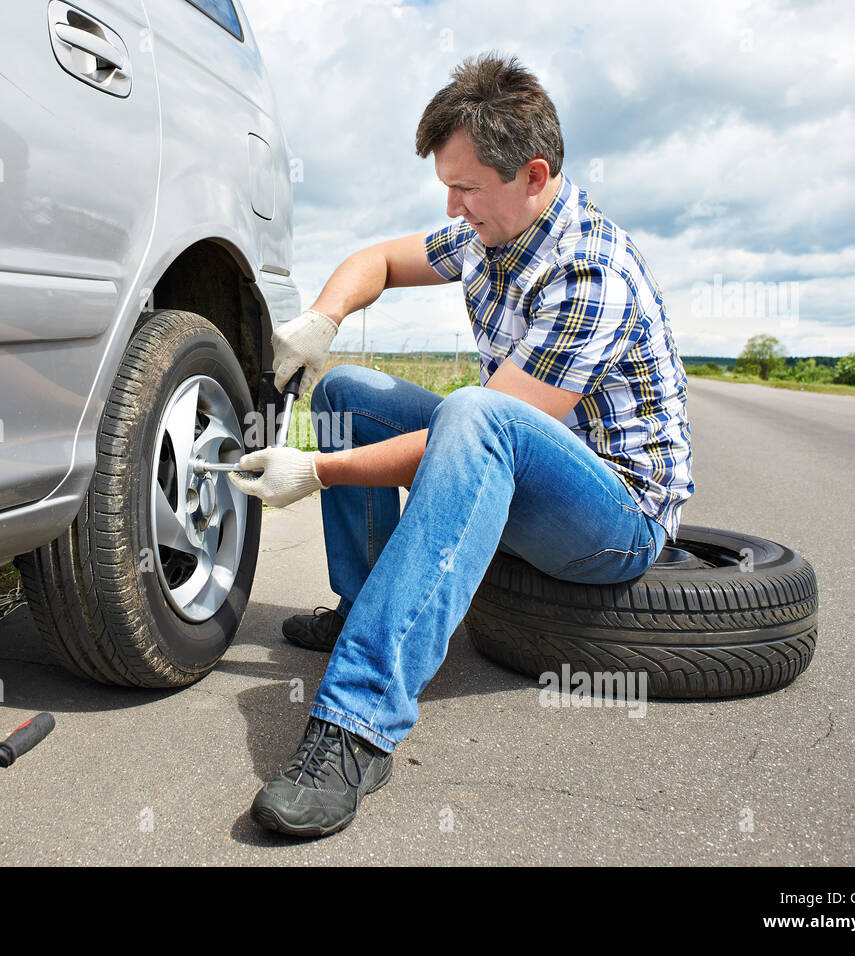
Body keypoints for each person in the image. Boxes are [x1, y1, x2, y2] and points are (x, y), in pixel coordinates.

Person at [227, 52, 695, 839]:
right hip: (521, 472)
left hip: (615, 519)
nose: (453, 204)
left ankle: (357, 726)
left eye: (467, 187)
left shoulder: (588, 272)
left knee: (477, 415)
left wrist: (315, 469)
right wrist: (324, 320)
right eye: (447, 184)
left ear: (534, 175)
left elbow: (483, 432)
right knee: (344, 393)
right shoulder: (486, 234)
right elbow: (376, 259)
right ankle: (363, 604)